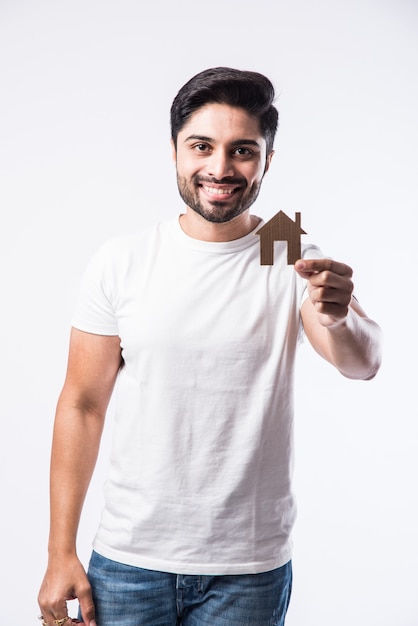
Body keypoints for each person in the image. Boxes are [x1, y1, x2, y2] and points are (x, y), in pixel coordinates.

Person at [38, 66, 382, 626]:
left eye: (243, 150)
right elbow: (82, 404)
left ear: (267, 159)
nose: (220, 168)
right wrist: (59, 553)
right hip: (130, 559)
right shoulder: (125, 258)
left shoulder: (282, 241)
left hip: (249, 567)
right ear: (175, 150)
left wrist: (339, 316)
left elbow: (363, 362)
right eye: (202, 146)